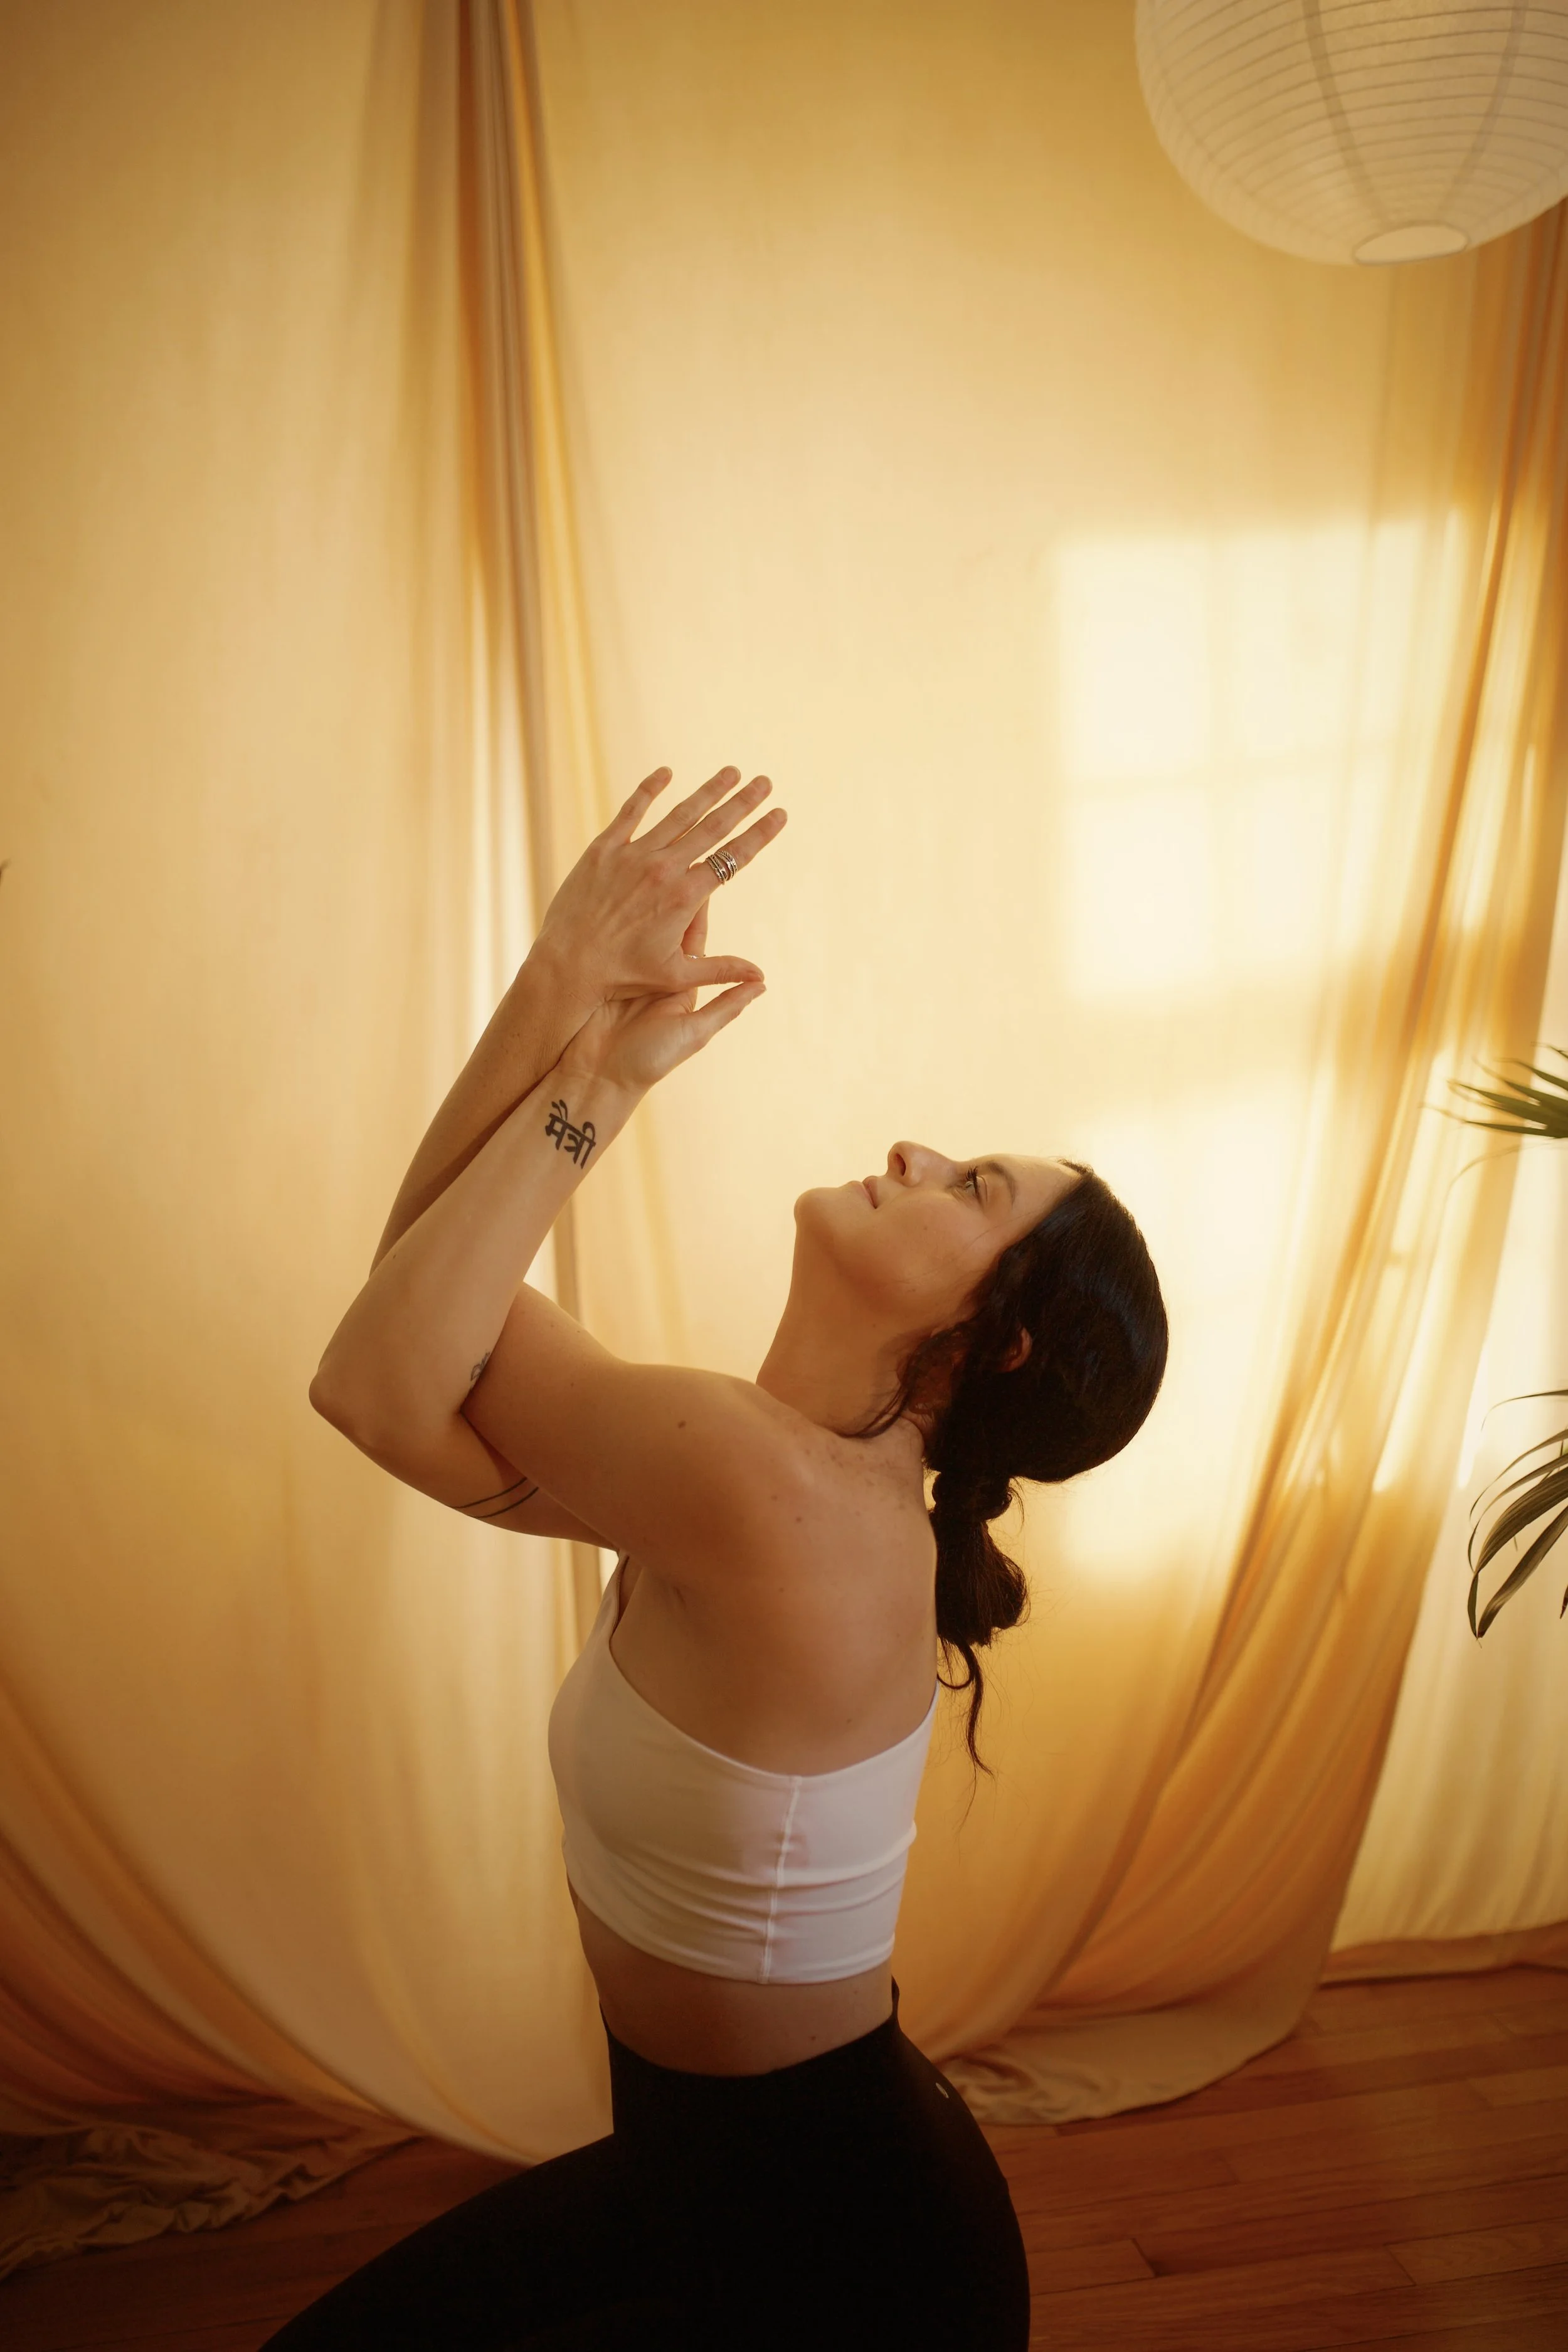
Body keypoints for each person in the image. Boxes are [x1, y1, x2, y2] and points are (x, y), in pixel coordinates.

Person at [273, 765, 1168, 2351]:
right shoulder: (768, 1482)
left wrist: (574, 1002)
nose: (917, 1145)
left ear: (986, 1339)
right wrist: (588, 1051)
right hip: (724, 2176)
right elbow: (424, 1295)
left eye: (973, 1187)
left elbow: (379, 1371)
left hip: (834, 2240)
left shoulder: (763, 1497)